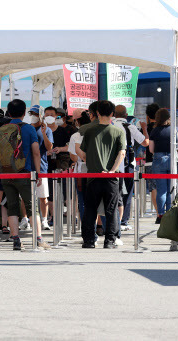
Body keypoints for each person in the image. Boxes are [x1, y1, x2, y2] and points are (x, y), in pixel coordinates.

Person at [0, 99, 49, 250]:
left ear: (9, 112)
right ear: (24, 113)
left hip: (6, 173)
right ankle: (38, 239)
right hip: (24, 173)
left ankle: (16, 240)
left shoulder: (2, 129)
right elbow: (36, 152)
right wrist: (37, 173)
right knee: (32, 207)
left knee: (12, 207)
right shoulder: (28, 129)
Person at [77, 100, 126, 249]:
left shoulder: (89, 131)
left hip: (93, 176)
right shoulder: (119, 131)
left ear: (97, 113)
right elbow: (122, 153)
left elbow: (82, 152)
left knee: (90, 208)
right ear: (112, 114)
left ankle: (89, 240)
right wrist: (112, 170)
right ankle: (110, 241)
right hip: (112, 177)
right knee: (111, 210)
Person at [112, 105, 149, 232]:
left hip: (111, 167)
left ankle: (112, 220)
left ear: (113, 114)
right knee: (126, 194)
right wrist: (144, 128)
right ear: (126, 115)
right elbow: (145, 142)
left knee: (112, 193)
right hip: (128, 166)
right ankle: (123, 220)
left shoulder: (109, 127)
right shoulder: (130, 127)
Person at [46, 106, 76, 225]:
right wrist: (46, 151)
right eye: (46, 114)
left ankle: (71, 215)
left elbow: (71, 147)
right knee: (50, 192)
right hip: (47, 164)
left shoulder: (64, 131)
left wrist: (60, 149)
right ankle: (53, 216)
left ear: (56, 116)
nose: (49, 117)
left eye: (51, 115)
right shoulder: (41, 131)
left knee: (66, 190)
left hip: (63, 164)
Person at [150, 108, 178, 223]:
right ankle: (170, 212)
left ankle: (161, 215)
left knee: (161, 190)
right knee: (171, 189)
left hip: (159, 160)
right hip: (173, 159)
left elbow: (151, 149)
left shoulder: (155, 131)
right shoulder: (176, 130)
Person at [29, 105, 54, 230]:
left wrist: (44, 134)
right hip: (27, 166)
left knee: (43, 196)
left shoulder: (46, 129)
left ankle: (44, 220)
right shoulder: (27, 128)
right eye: (31, 113)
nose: (32, 116)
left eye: (35, 113)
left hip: (42, 167)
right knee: (25, 197)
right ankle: (26, 219)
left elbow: (49, 147)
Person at [68, 110, 92, 222]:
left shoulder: (76, 135)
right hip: (98, 169)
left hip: (81, 171)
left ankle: (87, 228)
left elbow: (73, 157)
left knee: (83, 201)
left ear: (77, 121)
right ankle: (101, 227)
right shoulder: (97, 131)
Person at [144, 103, 160, 213]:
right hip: (163, 160)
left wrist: (144, 129)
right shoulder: (163, 127)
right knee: (163, 188)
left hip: (150, 162)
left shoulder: (147, 128)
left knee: (153, 189)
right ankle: (163, 213)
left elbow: (144, 143)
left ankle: (158, 213)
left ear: (148, 116)